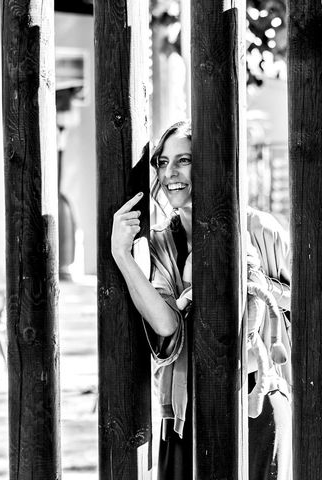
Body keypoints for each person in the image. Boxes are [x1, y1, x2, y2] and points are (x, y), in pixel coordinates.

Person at [111, 120, 292, 479]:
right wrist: (122, 254)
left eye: (184, 160)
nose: (170, 173)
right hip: (185, 408)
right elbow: (165, 324)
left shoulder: (259, 228)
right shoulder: (163, 242)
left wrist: (243, 286)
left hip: (254, 398)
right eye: (163, 162)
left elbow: (296, 302)